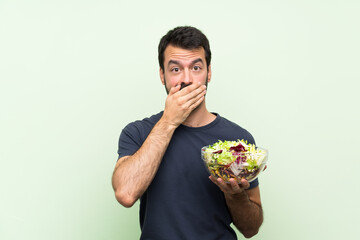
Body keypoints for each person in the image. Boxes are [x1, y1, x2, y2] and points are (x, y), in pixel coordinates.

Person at [112, 26, 263, 239]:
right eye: (175, 69)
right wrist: (169, 121)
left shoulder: (237, 140)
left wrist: (236, 196)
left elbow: (251, 229)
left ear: (208, 73)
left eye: (196, 68)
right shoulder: (137, 132)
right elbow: (125, 194)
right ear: (162, 75)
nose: (187, 79)